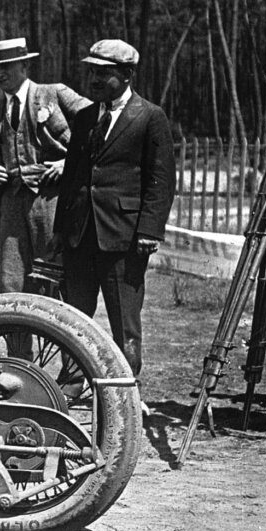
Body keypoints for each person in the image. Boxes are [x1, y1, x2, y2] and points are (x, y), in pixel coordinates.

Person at [53, 39, 175, 376]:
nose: (93, 80)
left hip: (125, 239)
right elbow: (73, 177)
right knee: (74, 318)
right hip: (80, 237)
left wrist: (150, 230)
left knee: (125, 322)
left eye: (102, 73)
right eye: (91, 71)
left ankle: (126, 389)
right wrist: (60, 229)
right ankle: (74, 382)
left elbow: (161, 180)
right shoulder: (85, 117)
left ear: (125, 74)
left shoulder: (149, 116)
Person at [0, 37, 91, 293]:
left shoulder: (54, 93)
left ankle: (56, 333)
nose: (0, 73)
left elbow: (100, 122)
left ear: (24, 67)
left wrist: (68, 163)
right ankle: (17, 333)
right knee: (11, 283)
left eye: (7, 66)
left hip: (50, 200)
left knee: (52, 276)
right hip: (10, 205)